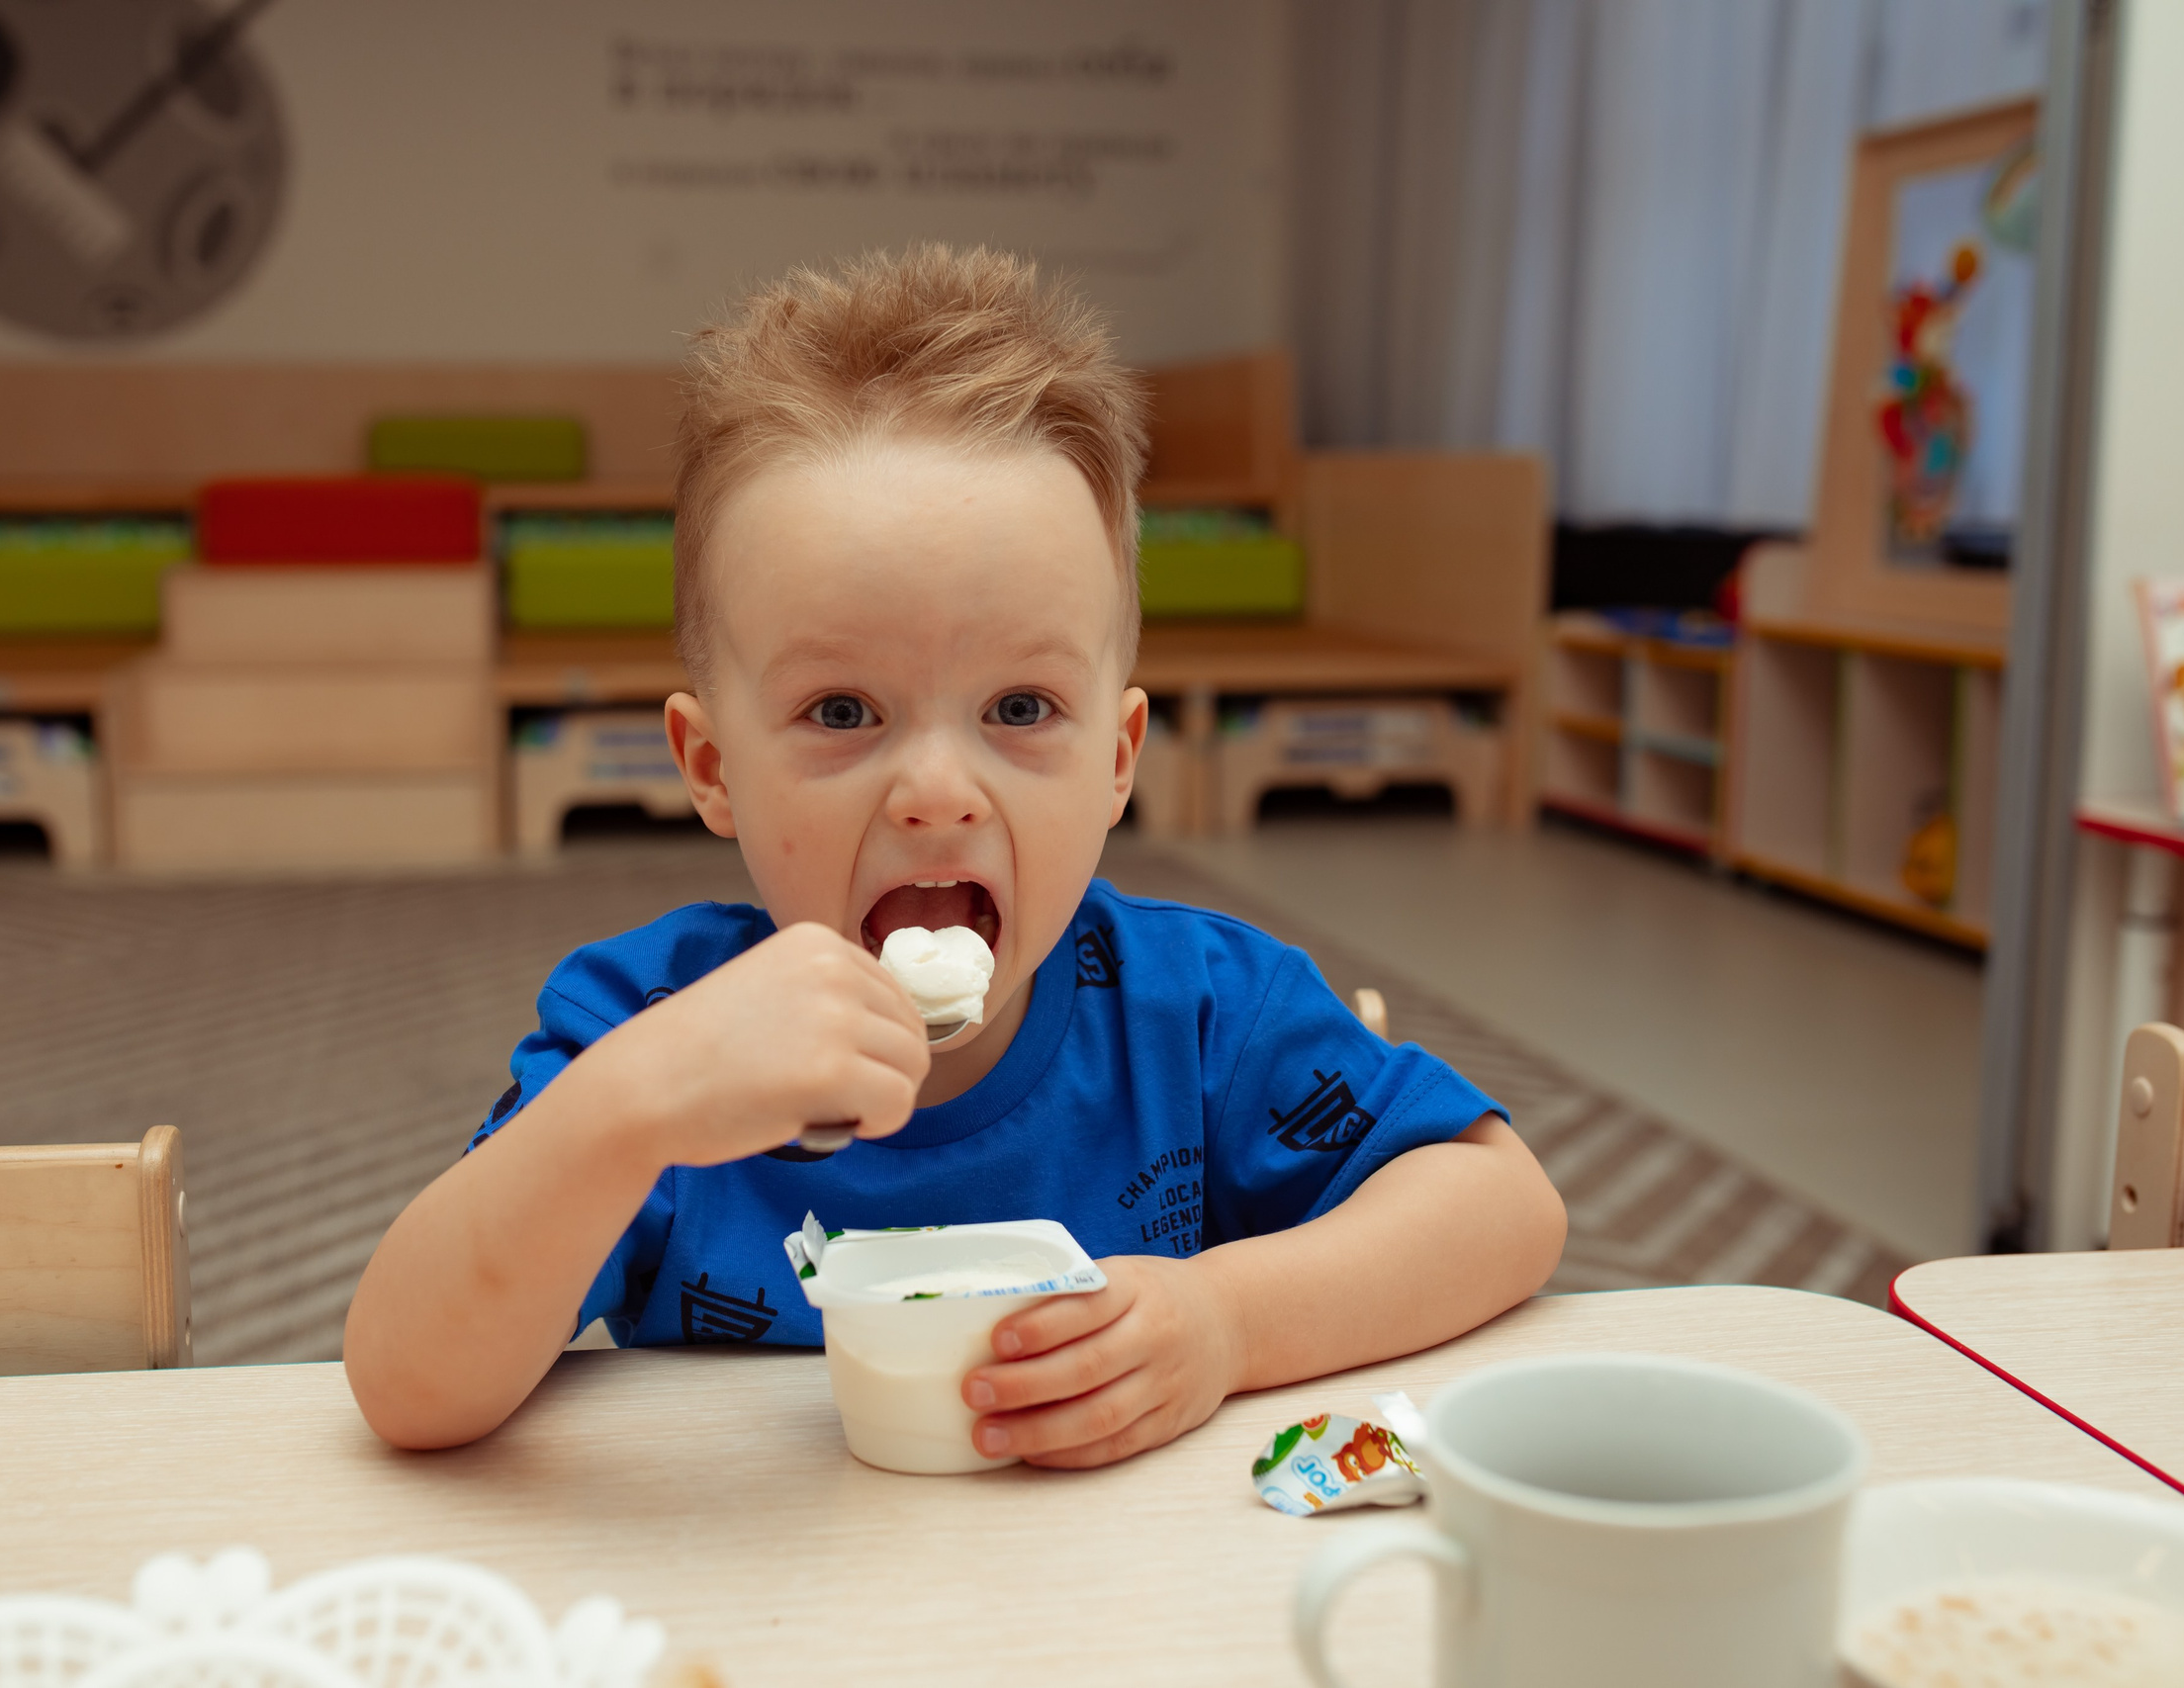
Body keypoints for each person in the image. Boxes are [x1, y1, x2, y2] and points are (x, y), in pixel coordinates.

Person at [344, 245, 1567, 1463]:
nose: (936, 794)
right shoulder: (648, 1031)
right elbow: (407, 1382)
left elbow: (1506, 1208)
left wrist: (1229, 1322)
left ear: (1119, 759)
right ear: (712, 769)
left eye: (1020, 711)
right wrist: (621, 1112)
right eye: (841, 713)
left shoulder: (1200, 1018)